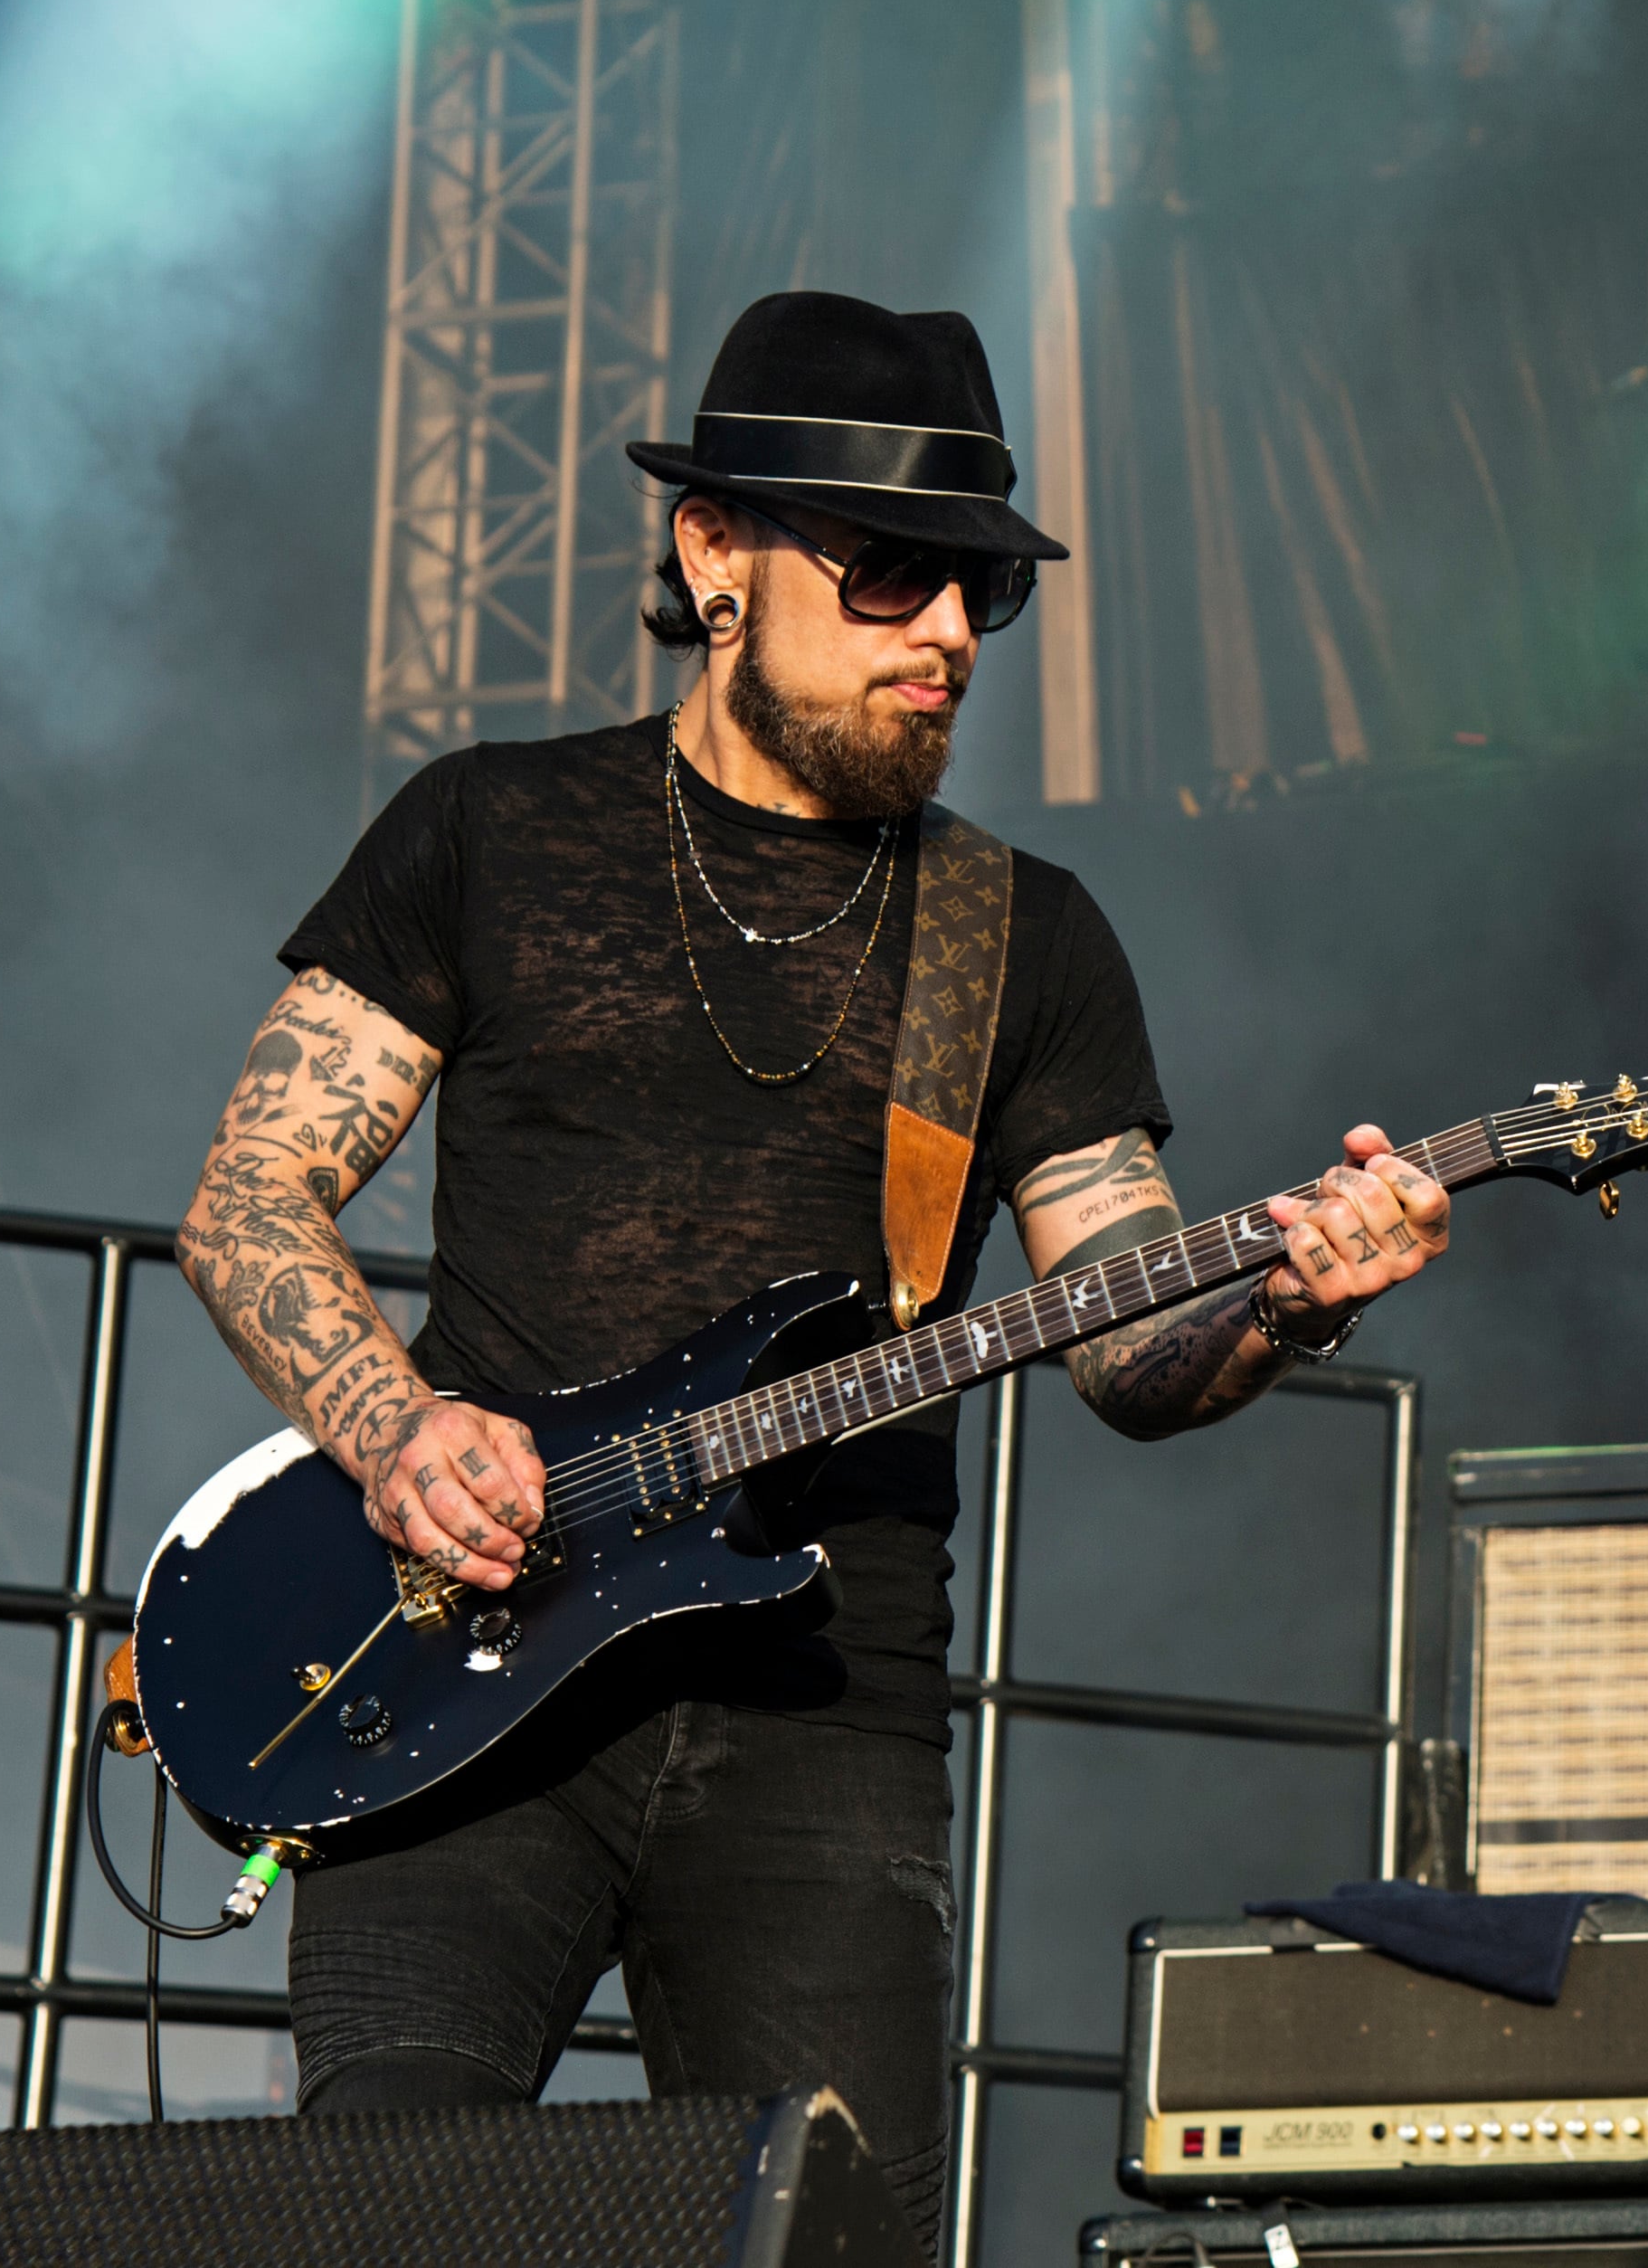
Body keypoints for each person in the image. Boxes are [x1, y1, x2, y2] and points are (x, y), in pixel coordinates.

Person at [174, 289, 1452, 2223]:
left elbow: (1125, 1346)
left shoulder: (1022, 935)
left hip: (819, 1719)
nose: (944, 634)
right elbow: (250, 1195)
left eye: (976, 595)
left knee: (829, 2238)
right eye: (887, 579)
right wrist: (398, 1429)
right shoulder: (490, 830)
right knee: (385, 2210)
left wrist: (1279, 1299)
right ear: (714, 554)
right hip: (468, 1657)